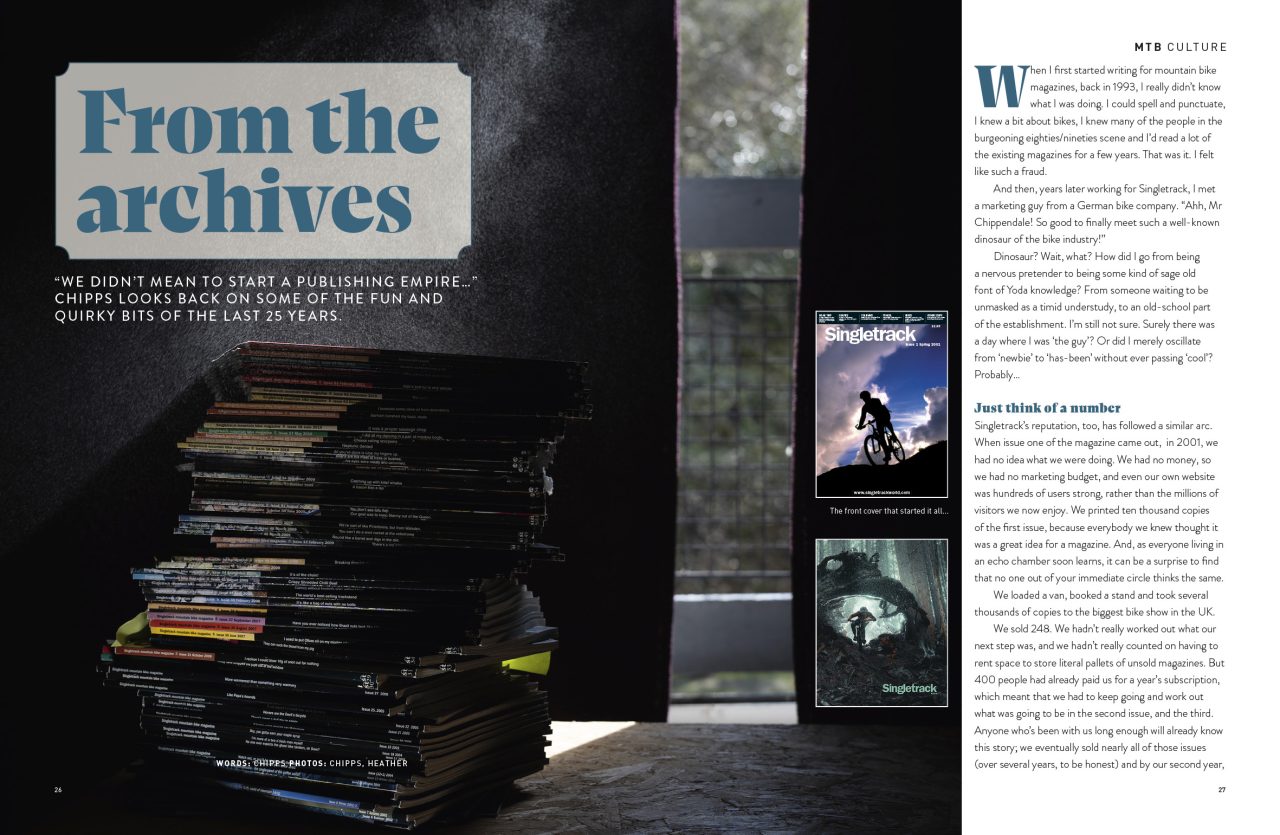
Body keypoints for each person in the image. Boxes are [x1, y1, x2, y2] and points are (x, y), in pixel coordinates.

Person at [855, 390, 894, 464]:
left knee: (886, 422)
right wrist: (860, 426)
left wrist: (876, 418)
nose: (864, 399)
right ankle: (887, 454)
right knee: (881, 438)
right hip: (878, 419)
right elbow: (862, 417)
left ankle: (893, 434)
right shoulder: (864, 408)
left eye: (865, 397)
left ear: (869, 396)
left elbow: (879, 410)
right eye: (863, 398)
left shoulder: (876, 400)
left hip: (884, 415)